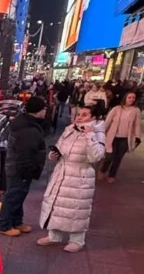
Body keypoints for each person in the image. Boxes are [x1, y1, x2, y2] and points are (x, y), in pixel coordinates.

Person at [37, 105, 105, 252]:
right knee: (56, 205)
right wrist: (54, 155)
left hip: (80, 176)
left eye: (84, 115)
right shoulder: (70, 129)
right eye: (79, 114)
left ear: (93, 117)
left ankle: (77, 240)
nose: (79, 117)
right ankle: (54, 236)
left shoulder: (97, 133)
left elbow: (96, 156)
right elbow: (60, 147)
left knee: (77, 209)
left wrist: (89, 135)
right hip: (62, 172)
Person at [0, 95, 47, 236]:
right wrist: (28, 170)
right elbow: (26, 153)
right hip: (20, 168)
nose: (46, 111)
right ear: (38, 110)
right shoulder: (28, 128)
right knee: (14, 195)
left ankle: (16, 221)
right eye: (44, 108)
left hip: (20, 166)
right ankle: (4, 225)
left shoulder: (28, 123)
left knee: (19, 195)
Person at [99, 91, 142, 183]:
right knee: (109, 157)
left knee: (118, 158)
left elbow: (137, 125)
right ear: (125, 98)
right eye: (129, 97)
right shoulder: (116, 109)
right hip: (112, 137)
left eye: (133, 98)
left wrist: (138, 136)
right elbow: (107, 122)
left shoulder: (136, 110)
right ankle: (103, 170)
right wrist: (101, 132)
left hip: (125, 138)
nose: (131, 99)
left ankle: (112, 175)